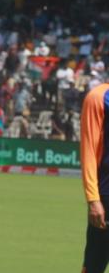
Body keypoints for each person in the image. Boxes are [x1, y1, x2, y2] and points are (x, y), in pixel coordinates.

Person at [80, 82, 109, 273]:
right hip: (106, 197)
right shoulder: (99, 97)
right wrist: (93, 199)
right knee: (93, 266)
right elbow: (88, 151)